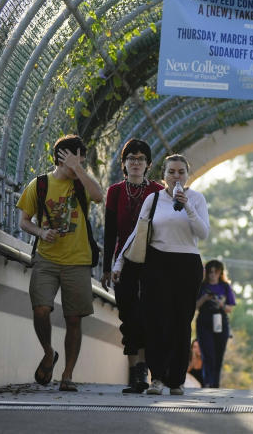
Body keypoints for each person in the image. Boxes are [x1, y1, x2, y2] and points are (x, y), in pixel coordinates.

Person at [16, 134, 105, 392]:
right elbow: (24, 221)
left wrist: (78, 169)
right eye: (74, 158)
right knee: (40, 309)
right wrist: (41, 233)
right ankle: (48, 352)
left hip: (78, 260)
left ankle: (67, 374)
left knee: (74, 318)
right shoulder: (40, 185)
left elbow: (98, 196)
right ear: (60, 158)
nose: (79, 164)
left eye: (81, 159)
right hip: (47, 258)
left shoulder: (82, 184)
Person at [114, 153, 208, 396]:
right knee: (156, 321)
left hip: (187, 263)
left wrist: (186, 205)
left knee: (180, 322)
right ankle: (157, 378)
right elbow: (138, 231)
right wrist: (119, 263)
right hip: (157, 263)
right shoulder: (153, 199)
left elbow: (203, 232)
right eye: (171, 172)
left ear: (188, 175)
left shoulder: (197, 199)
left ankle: (176, 380)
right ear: (163, 175)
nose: (176, 176)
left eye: (181, 172)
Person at [101, 137, 163, 393]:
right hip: (123, 263)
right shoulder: (115, 191)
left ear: (148, 164)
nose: (136, 163)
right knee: (128, 314)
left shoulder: (159, 191)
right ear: (124, 164)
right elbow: (110, 231)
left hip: (152, 263)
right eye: (131, 158)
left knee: (148, 314)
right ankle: (136, 372)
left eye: (140, 159)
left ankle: (145, 373)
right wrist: (106, 267)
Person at [194, 258, 237, 388]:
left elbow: (230, 308)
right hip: (204, 321)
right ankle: (207, 382)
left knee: (218, 354)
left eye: (215, 272)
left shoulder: (225, 286)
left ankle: (215, 384)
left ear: (220, 273)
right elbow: (195, 306)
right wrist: (204, 298)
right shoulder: (201, 286)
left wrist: (221, 304)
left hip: (220, 321)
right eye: (210, 272)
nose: (212, 275)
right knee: (208, 353)